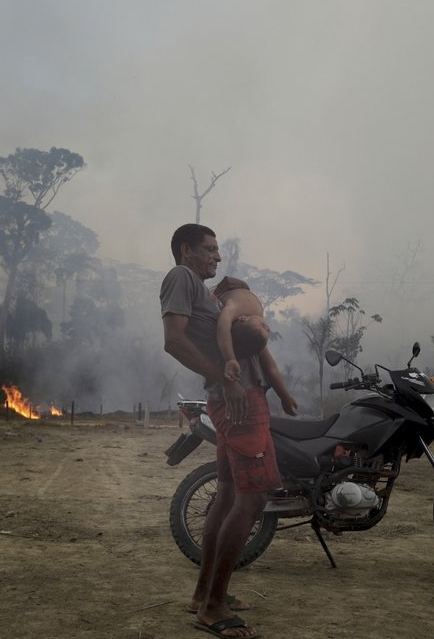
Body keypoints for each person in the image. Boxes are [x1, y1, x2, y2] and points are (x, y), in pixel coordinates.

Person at [161, 223, 296, 639]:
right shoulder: (181, 277)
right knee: (252, 500)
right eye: (209, 249)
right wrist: (227, 377)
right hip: (238, 400)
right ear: (186, 251)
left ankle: (204, 593)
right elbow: (173, 340)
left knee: (226, 495)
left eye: (218, 251)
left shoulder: (207, 294)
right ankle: (214, 607)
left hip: (234, 397)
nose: (217, 258)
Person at [214, 276, 297, 415]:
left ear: (243, 318)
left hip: (226, 290)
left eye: (263, 326)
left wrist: (230, 359)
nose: (267, 328)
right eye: (266, 328)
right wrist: (285, 396)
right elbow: (272, 368)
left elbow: (223, 328)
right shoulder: (254, 333)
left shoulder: (234, 310)